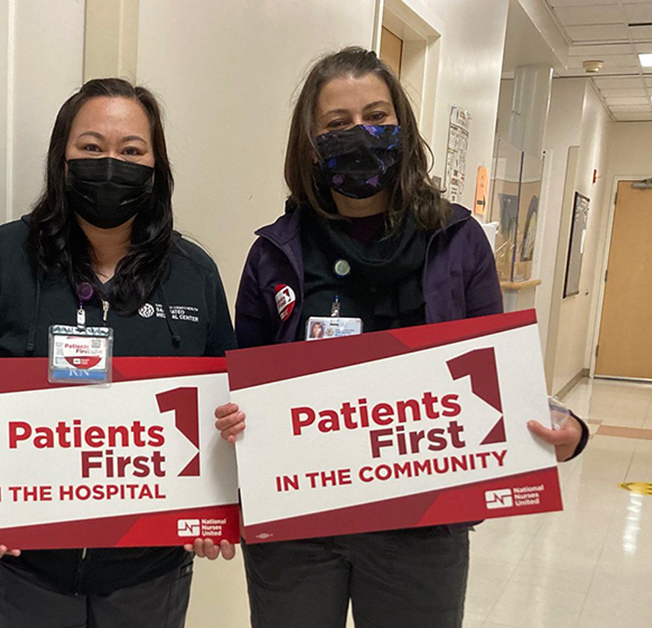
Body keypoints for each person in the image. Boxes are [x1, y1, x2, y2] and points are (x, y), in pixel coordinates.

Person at [213, 47, 589, 628]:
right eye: (337, 124)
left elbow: (498, 370)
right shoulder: (275, 253)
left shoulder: (458, 240)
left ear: (403, 127)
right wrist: (234, 419)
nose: (360, 134)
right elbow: (240, 387)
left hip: (423, 524)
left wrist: (564, 423)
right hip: (299, 522)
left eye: (377, 117)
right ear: (309, 141)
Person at [0, 77, 236, 627]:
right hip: (26, 564)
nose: (111, 163)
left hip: (149, 569)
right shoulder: (1, 257)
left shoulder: (194, 274)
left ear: (155, 166)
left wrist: (217, 506)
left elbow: (227, 400)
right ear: (62, 160)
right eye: (92, 148)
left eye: (131, 151)